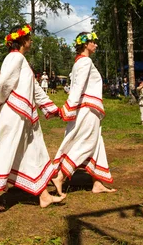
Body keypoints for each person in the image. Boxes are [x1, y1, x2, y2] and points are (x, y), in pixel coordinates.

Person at [0, 24, 63, 212]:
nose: (31, 40)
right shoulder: (15, 57)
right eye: (29, 37)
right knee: (5, 151)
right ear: (22, 40)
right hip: (15, 113)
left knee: (34, 151)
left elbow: (35, 89)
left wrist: (51, 108)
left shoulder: (21, 60)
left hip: (24, 114)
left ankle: (44, 196)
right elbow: (4, 84)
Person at [52, 32, 116, 197]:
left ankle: (97, 183)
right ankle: (60, 177)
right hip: (88, 109)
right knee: (87, 142)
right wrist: (69, 107)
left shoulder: (80, 62)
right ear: (85, 44)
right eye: (93, 42)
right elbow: (78, 87)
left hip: (88, 107)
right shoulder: (85, 61)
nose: (95, 44)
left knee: (96, 143)